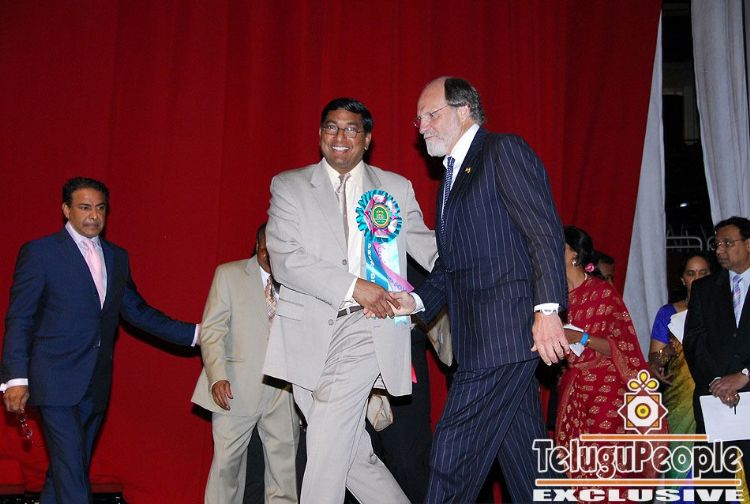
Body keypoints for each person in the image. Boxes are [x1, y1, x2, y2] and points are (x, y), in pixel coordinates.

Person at [389, 76, 568, 503]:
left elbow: (543, 233)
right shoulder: (449, 181)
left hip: (505, 334)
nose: (422, 127)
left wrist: (547, 310)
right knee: (528, 466)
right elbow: (452, 267)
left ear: (464, 110)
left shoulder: (502, 151)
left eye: (430, 115)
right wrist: (414, 301)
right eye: (418, 120)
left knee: (451, 456)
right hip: (479, 342)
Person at [263, 97, 437, 503]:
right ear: (320, 134)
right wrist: (354, 284)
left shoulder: (394, 188)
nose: (340, 136)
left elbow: (429, 249)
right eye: (332, 127)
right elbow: (285, 259)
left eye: (351, 128)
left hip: (369, 324)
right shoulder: (288, 185)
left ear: (367, 138)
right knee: (352, 454)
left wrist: (481, 266)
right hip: (307, 332)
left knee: (325, 442)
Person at [0, 177, 199, 503]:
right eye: (84, 207)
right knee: (73, 475)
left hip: (95, 382)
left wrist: (196, 334)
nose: (94, 215)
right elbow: (20, 318)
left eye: (100, 208)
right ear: (66, 210)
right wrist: (15, 378)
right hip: (54, 381)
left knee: (67, 469)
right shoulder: (41, 253)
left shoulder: (116, 257)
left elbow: (137, 311)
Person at [191, 223, 299, 504]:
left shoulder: (299, 281)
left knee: (284, 472)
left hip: (284, 389)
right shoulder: (229, 275)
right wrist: (217, 377)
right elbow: (212, 332)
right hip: (235, 386)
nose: (270, 255)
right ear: (257, 245)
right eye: (265, 249)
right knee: (226, 469)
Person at [556, 226, 663, 486]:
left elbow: (620, 345)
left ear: (574, 254)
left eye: (558, 245)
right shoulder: (555, 298)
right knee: (577, 468)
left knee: (609, 466)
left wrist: (581, 338)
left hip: (607, 389)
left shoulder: (602, 292)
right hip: (575, 390)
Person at [684, 216, 750, 490]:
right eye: (717, 244)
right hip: (714, 400)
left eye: (727, 243)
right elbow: (694, 341)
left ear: (748, 244)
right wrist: (717, 382)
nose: (720, 250)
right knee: (712, 486)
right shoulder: (704, 289)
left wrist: (744, 375)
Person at [648, 253, 710, 489]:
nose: (697, 279)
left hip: (717, 396)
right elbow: (654, 363)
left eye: (703, 273)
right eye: (691, 273)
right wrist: (669, 351)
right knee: (680, 464)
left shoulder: (724, 309)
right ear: (683, 279)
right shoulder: (669, 313)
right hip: (680, 401)